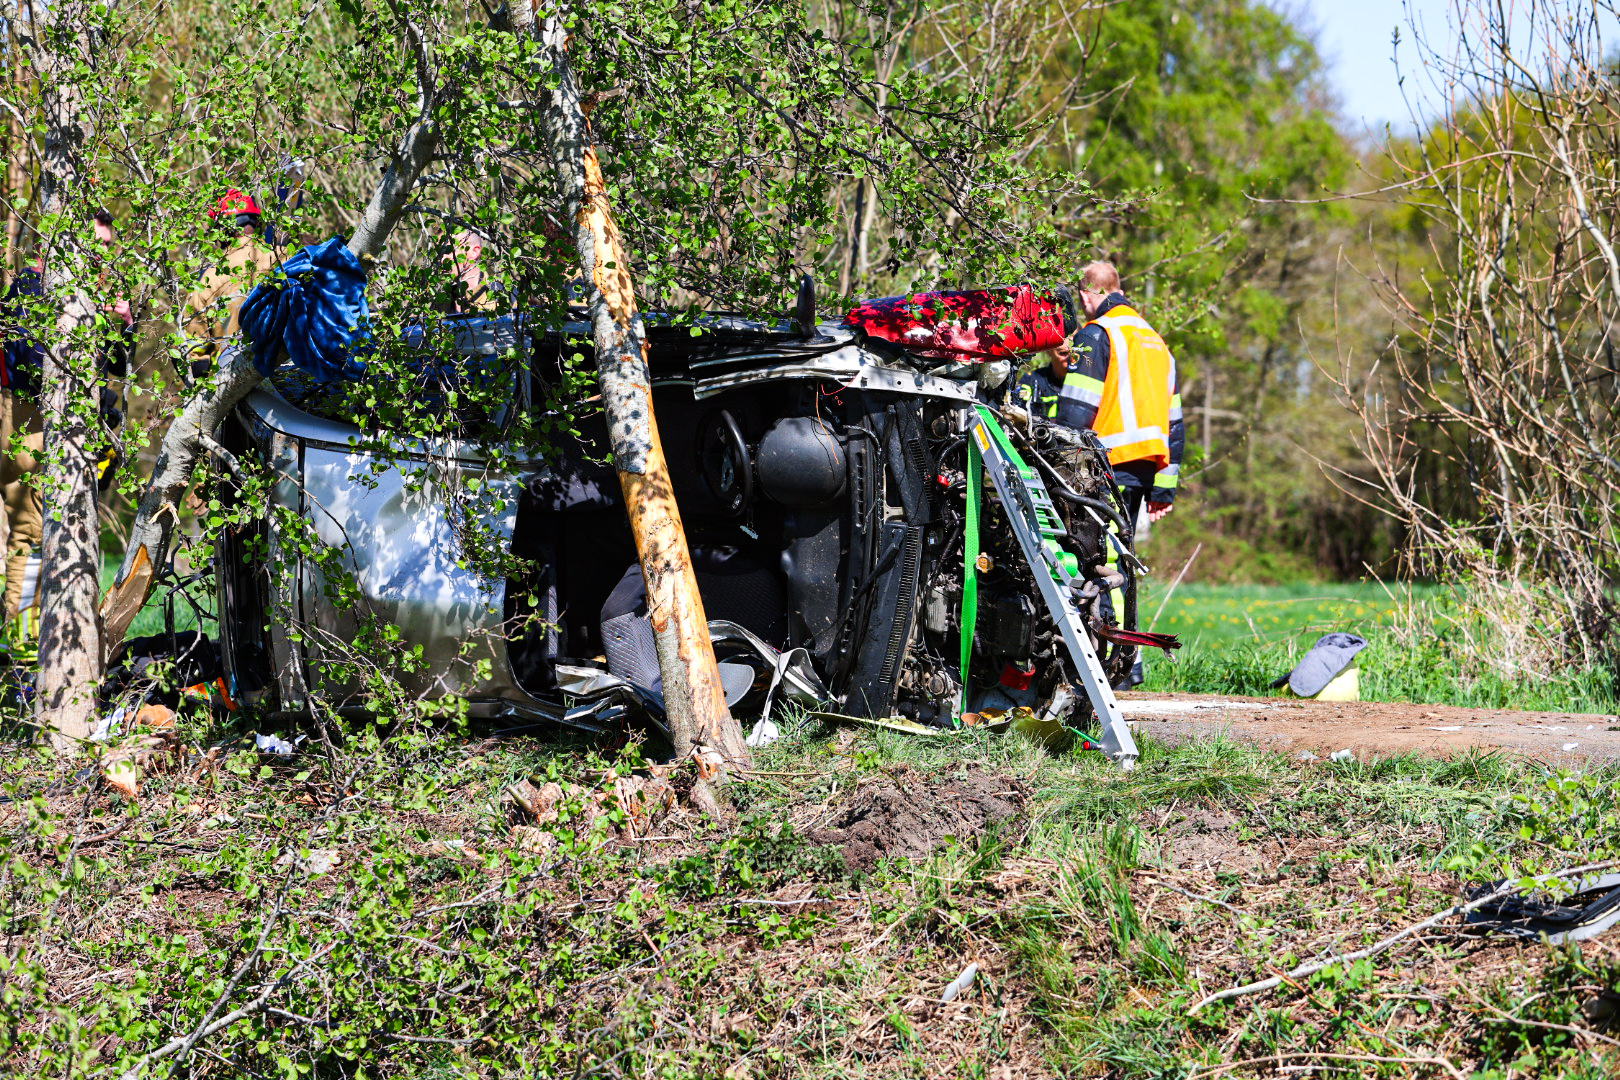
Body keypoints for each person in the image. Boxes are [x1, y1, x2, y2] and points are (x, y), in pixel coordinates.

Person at [1, 211, 136, 624]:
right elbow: (29, 365)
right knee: (30, 531)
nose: (104, 257)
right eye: (98, 247)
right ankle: (24, 648)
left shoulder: (86, 293)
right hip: (28, 421)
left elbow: (117, 365)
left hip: (53, 423)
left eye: (109, 248)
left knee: (56, 529)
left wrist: (124, 323)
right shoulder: (31, 288)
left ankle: (45, 632)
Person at [1060, 260, 1183, 525]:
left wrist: (1059, 465)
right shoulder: (1158, 342)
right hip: (1145, 470)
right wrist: (1163, 489)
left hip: (1107, 464)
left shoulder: (1097, 333)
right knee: (1121, 547)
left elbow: (1076, 409)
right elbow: (1174, 425)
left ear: (1083, 296)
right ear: (1120, 293)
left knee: (1097, 551)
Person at [182, 189, 278, 375]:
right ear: (257, 222)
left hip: (236, 381)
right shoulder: (285, 257)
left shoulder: (210, 278)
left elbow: (196, 356)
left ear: (220, 232)